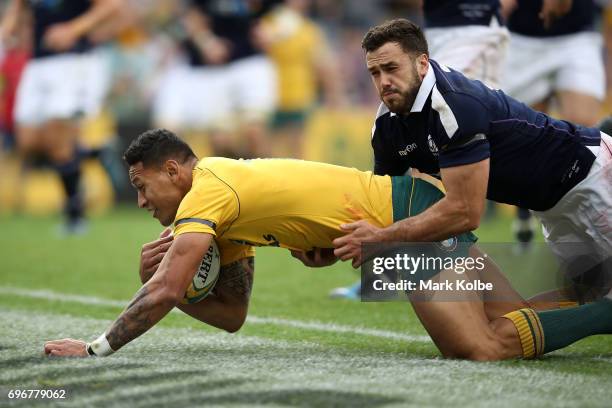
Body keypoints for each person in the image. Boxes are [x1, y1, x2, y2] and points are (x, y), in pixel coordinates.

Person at [43, 129, 612, 361]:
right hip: (405, 207)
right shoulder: (223, 206)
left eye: (142, 187)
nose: (141, 202)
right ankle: (593, 289)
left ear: (173, 171)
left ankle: (604, 311)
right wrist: (184, 293)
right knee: (511, 318)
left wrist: (97, 347)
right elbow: (233, 314)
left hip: (401, 223)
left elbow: (165, 286)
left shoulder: (207, 193)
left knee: (480, 348)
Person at [331, 18, 610, 271]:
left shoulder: (454, 106)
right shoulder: (386, 127)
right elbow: (381, 202)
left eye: (391, 68)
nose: (384, 82)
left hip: (590, 177)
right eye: (375, 73)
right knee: (588, 299)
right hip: (551, 208)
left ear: (422, 63)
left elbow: (464, 213)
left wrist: (380, 239)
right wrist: (328, 247)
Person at [0, 0, 120, 233]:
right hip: (37, 63)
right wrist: (7, 28)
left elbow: (113, 5)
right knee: (27, 141)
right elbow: (19, 5)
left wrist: (73, 29)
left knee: (59, 143)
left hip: (72, 61)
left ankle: (75, 216)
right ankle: (96, 153)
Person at [153, 0, 278, 159]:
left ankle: (265, 181)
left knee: (254, 133)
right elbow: (191, 15)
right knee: (222, 141)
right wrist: (207, 42)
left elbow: (280, 11)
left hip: (250, 64)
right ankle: (233, 180)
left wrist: (272, 30)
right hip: (214, 71)